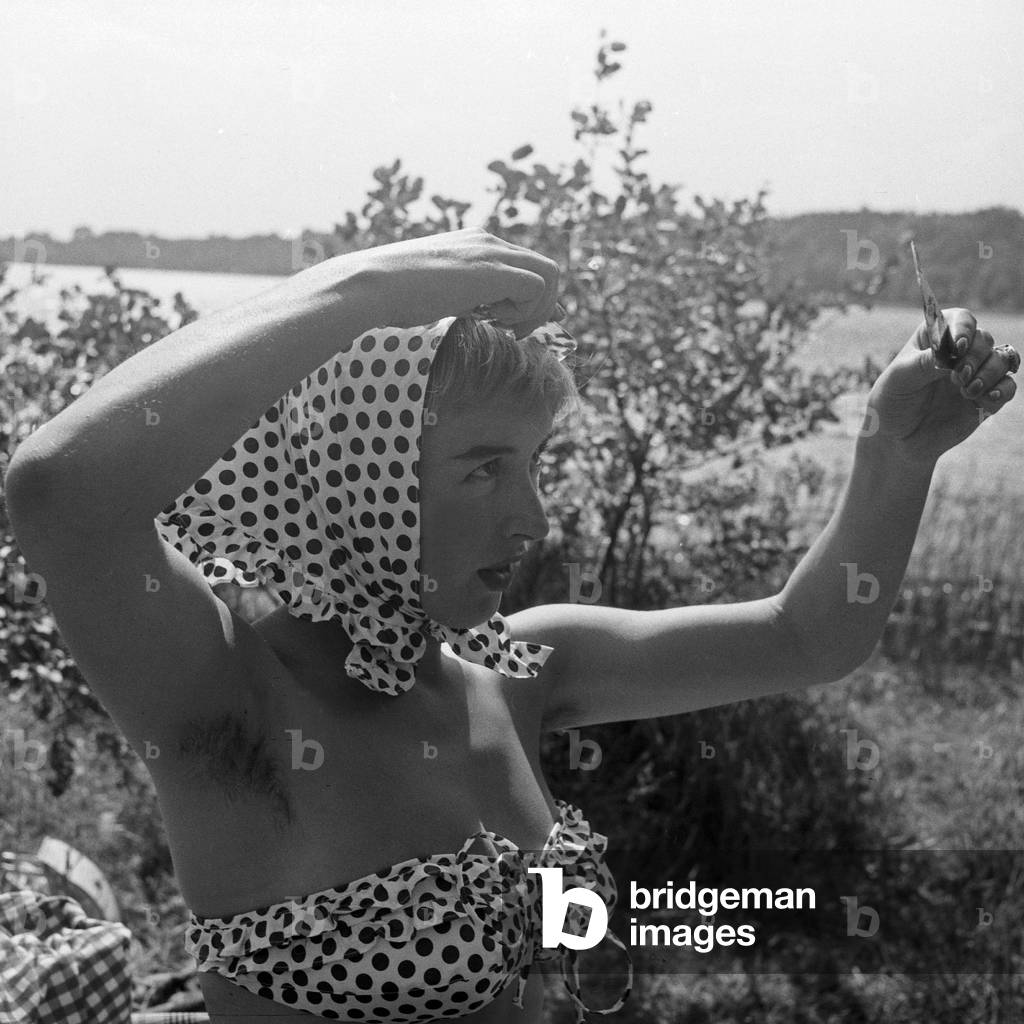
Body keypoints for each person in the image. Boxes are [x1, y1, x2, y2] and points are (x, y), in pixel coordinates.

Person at [4, 227, 1018, 1024]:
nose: (532, 517)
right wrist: (369, 289)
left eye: (533, 466)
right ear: (361, 471)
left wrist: (897, 453)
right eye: (486, 467)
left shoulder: (516, 668)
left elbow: (809, 637)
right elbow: (61, 495)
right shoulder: (229, 691)